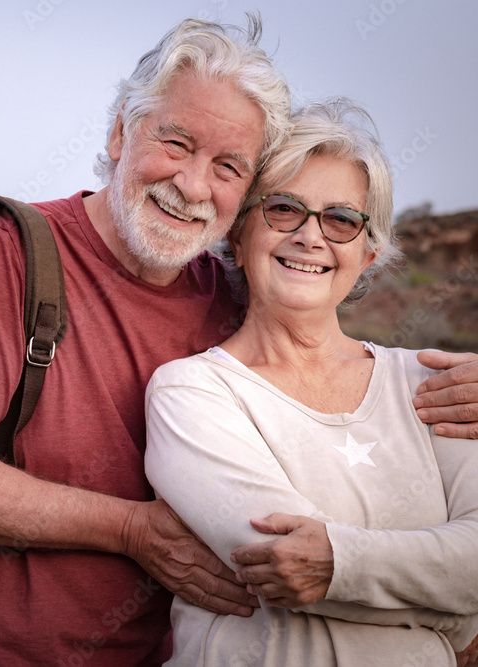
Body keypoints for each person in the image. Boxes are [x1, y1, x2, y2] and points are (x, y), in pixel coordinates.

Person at [0, 16, 478, 666]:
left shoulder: (230, 294)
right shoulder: (15, 251)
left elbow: (324, 358)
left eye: (228, 166)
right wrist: (131, 528)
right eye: (176, 142)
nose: (193, 185)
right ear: (118, 132)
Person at [144, 99, 478, 666]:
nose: (310, 236)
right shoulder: (191, 393)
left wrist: (340, 563)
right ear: (237, 235)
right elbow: (280, 563)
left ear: (368, 252)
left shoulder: (437, 379)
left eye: (342, 219)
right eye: (283, 210)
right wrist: (458, 608)